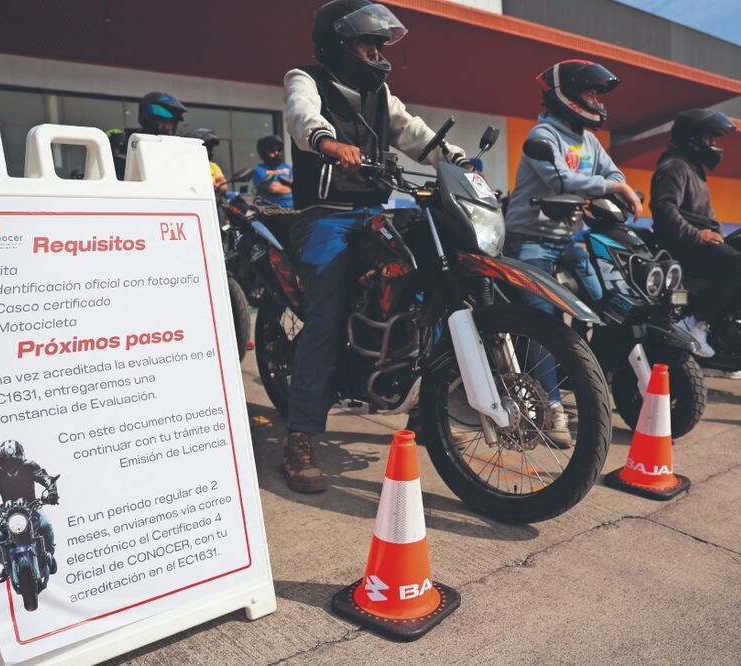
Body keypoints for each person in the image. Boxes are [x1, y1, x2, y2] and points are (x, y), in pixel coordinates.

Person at [281, 0, 466, 493]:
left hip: (375, 212)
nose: (377, 53)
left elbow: (415, 134)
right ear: (339, 44)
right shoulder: (306, 78)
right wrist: (326, 141)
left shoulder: (381, 93)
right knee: (325, 314)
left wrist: (455, 160)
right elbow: (301, 116)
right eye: (368, 43)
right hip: (326, 214)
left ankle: (425, 407)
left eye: (380, 44)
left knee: (435, 283)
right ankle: (300, 435)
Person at [503, 59, 642, 447]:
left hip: (569, 240)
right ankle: (551, 410)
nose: (596, 99)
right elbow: (560, 180)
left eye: (598, 93)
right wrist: (614, 189)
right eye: (590, 92)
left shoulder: (589, 141)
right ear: (565, 95)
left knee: (610, 299)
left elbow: (614, 173)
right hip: (529, 240)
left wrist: (616, 185)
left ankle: (594, 379)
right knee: (543, 322)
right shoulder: (543, 136)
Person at [650, 108, 741, 360]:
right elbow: (664, 209)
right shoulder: (674, 165)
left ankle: (731, 347)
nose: (714, 145)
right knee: (739, 264)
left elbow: (706, 213)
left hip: (695, 241)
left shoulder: (692, 167)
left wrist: (717, 231)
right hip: (682, 245)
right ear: (692, 139)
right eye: (710, 139)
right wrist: (699, 236)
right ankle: (695, 323)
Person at [0, 441, 60, 584]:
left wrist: (51, 491)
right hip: (8, 512)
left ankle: (50, 555)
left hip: (32, 507)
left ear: (21, 458)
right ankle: (6, 566)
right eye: (7, 462)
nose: (11, 465)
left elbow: (45, 478)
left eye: (14, 461)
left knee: (46, 525)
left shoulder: (29, 466)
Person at [113, 91, 188, 180]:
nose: (168, 127)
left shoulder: (176, 151)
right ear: (148, 119)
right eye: (162, 121)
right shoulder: (129, 149)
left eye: (172, 122)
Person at [252, 134, 294, 208]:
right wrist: (295, 188)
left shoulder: (289, 167)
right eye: (272, 151)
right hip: (275, 210)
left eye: (279, 150)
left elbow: (301, 184)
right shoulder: (259, 170)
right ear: (263, 153)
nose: (276, 153)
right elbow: (275, 188)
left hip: (296, 207)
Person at [186, 128, 229, 195]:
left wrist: (214, 186)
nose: (210, 152)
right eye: (207, 148)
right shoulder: (185, 165)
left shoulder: (213, 166)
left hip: (211, 199)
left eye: (210, 148)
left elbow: (224, 186)